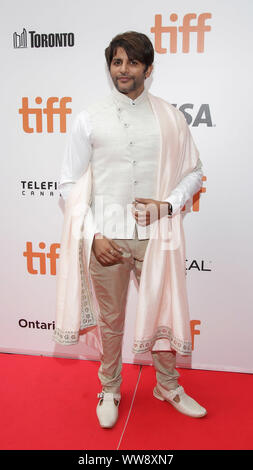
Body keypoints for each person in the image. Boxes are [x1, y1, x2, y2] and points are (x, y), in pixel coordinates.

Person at [54, 31, 207, 428]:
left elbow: (194, 171)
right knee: (111, 320)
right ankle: (109, 387)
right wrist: (93, 234)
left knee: (163, 312)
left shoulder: (170, 118)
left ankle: (168, 386)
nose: (124, 70)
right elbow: (68, 183)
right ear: (110, 67)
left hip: (158, 235)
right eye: (117, 62)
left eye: (133, 62)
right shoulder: (89, 118)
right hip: (106, 237)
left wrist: (168, 205)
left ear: (148, 69)